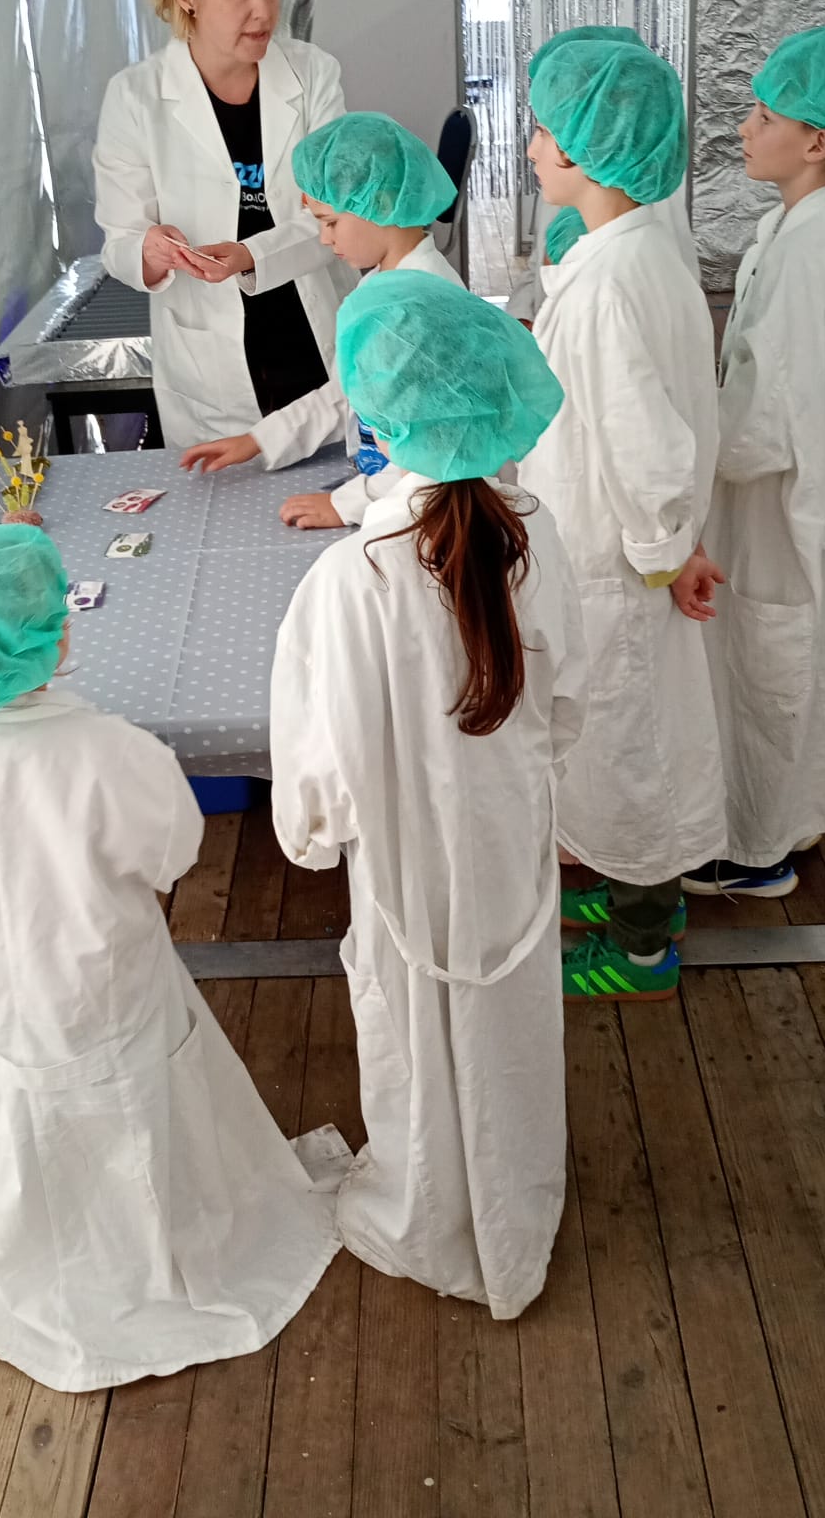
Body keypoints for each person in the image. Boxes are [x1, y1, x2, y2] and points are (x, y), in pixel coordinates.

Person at [0, 524, 346, 1393]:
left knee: (31, 1133)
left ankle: (48, 1270)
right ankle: (159, 1275)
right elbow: (174, 851)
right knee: (138, 1125)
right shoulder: (109, 754)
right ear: (51, 643)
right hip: (104, 1002)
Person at [270, 270, 587, 1319]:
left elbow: (315, 788)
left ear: (376, 414)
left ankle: (427, 1205)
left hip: (402, 872)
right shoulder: (533, 535)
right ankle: (514, 1199)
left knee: (410, 1038)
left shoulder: (350, 579)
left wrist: (321, 837)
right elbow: (569, 702)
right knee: (508, 1037)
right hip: (508, 846)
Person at [518, 33, 726, 998]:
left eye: (543, 131)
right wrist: (675, 542)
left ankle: (644, 950)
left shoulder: (608, 284)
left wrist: (664, 554)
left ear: (585, 149)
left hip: (621, 567)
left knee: (629, 751)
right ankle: (641, 893)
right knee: (623, 748)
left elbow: (645, 447)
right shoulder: (640, 255)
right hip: (629, 554)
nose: (531, 148)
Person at [686, 26, 825, 900]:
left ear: (819, 141)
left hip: (788, 509)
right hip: (797, 506)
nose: (745, 128)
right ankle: (789, 818)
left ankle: (755, 855)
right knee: (790, 673)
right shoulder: (799, 230)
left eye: (766, 115)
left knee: (771, 674)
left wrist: (681, 441)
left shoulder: (817, 253)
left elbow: (764, 425)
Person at [93, 0, 357, 447]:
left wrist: (249, 255)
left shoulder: (313, 75)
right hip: (210, 369)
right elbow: (120, 241)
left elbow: (338, 216)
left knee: (340, 487)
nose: (264, 10)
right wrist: (150, 250)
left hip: (314, 339)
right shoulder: (135, 97)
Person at [179, 111, 462, 530]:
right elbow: (349, 394)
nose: (325, 239)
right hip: (388, 496)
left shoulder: (423, 306)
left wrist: (347, 505)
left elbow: (435, 451)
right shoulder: (384, 284)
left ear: (382, 204)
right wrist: (260, 439)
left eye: (330, 222)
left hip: (420, 513)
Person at [508, 26, 700, 328]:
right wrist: (525, 318)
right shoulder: (567, 182)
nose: (531, 151)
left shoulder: (608, 293)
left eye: (545, 130)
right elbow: (539, 262)